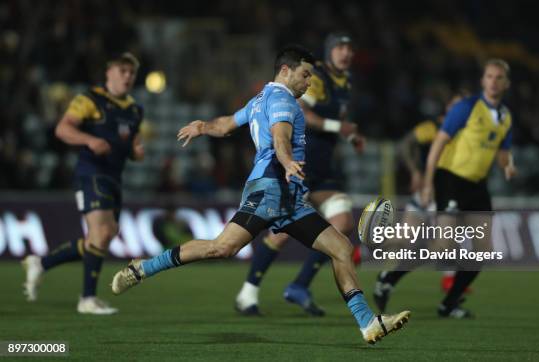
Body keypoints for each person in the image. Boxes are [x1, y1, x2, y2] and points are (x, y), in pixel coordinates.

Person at [110, 45, 409, 344]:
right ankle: (142, 268)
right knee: (221, 248)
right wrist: (288, 161)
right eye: (305, 75)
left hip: (288, 198)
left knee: (341, 249)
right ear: (285, 71)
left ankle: (368, 323)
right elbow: (280, 136)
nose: (309, 83)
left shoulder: (260, 99)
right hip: (270, 189)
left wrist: (202, 126)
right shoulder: (282, 100)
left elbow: (227, 124)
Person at [373, 59, 517, 318]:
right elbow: (439, 144)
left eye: (499, 78)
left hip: (477, 185)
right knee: (443, 245)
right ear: (483, 81)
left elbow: (503, 152)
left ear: (506, 83)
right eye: (489, 76)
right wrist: (428, 181)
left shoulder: (505, 117)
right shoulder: (466, 107)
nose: (493, 82)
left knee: (482, 251)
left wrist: (508, 166)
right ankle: (389, 278)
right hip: (450, 178)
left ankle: (448, 304)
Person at [235, 33, 365, 317]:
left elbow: (332, 123)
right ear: (329, 52)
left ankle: (300, 285)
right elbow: (306, 114)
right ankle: (248, 292)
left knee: (342, 223)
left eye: (349, 48)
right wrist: (336, 127)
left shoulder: (346, 83)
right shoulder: (316, 79)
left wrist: (349, 135)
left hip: (323, 167)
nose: (345, 53)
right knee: (280, 234)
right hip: (298, 166)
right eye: (340, 48)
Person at [22, 52, 144, 315]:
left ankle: (41, 263)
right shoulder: (90, 99)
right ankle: (87, 299)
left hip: (114, 177)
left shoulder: (135, 109)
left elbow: (132, 143)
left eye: (131, 73)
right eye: (122, 71)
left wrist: (137, 150)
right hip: (91, 173)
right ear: (109, 72)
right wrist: (89, 140)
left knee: (103, 237)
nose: (127, 76)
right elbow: (63, 129)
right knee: (100, 234)